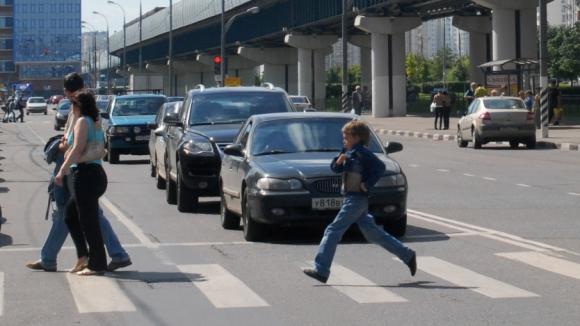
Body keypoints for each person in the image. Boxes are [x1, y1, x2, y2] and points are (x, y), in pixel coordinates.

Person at [302, 121, 416, 283]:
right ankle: (408, 255)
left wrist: (367, 184)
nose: (344, 140)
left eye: (346, 137)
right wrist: (339, 161)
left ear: (356, 137)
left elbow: (380, 167)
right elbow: (335, 168)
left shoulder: (363, 153)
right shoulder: (347, 151)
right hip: (351, 197)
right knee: (373, 233)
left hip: (357, 198)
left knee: (333, 230)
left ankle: (321, 269)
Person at [54, 89, 109, 276]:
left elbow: (77, 149)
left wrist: (62, 170)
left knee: (89, 221)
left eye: (72, 104)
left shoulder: (82, 122)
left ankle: (97, 263)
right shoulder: (93, 121)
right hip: (94, 174)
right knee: (70, 214)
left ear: (78, 106)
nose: (71, 108)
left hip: (86, 175)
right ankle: (83, 256)